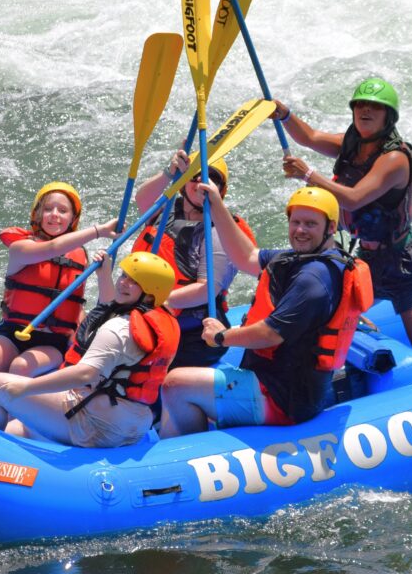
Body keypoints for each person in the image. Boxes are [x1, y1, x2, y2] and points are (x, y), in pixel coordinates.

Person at [158, 186, 372, 437]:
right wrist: (216, 204)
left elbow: (270, 334)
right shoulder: (299, 257)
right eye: (296, 222)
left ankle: (188, 457)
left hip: (283, 398)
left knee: (175, 384)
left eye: (310, 224)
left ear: (331, 227)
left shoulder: (314, 278)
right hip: (277, 380)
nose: (300, 230)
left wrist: (221, 337)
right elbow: (246, 256)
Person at [271, 78, 412, 374]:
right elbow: (311, 137)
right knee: (326, 314)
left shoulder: (394, 158)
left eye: (375, 107)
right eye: (360, 105)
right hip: (368, 258)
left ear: (388, 117)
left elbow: (354, 200)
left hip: (407, 262)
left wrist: (309, 175)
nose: (365, 111)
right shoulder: (352, 145)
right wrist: (285, 114)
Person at [0, 251, 179, 448]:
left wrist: (26, 388)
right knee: (18, 428)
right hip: (134, 426)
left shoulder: (119, 328)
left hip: (96, 425)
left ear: (150, 295)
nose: (123, 282)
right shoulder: (165, 324)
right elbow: (112, 310)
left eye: (134, 282)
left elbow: (86, 373)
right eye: (124, 275)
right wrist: (104, 275)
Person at [0, 182, 118, 415]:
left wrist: (104, 272)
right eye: (49, 209)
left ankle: (5, 426)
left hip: (53, 342)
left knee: (22, 366)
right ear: (37, 214)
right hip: (13, 332)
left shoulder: (81, 257)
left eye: (63, 211)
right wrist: (98, 231)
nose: (55, 215)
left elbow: (106, 305)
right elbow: (52, 248)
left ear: (72, 218)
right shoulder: (21, 249)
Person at [131, 151, 256, 368]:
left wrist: (152, 303)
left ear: (221, 190)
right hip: (147, 312)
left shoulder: (219, 230)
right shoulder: (167, 209)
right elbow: (142, 200)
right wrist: (169, 174)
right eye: (195, 176)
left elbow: (206, 289)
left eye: (212, 178)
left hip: (191, 330)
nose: (201, 183)